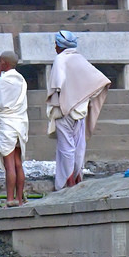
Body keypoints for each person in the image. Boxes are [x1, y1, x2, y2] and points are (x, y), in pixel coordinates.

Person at [46, 30, 110, 192]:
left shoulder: (60, 59)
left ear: (60, 45)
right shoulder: (80, 58)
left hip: (64, 111)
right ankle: (77, 176)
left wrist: (67, 99)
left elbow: (57, 84)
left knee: (66, 146)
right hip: (80, 111)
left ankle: (68, 182)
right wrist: (83, 98)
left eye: (56, 43)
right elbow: (100, 82)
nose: (55, 47)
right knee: (79, 145)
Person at [0, 51, 29, 206]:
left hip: (8, 123)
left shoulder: (4, 81)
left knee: (9, 164)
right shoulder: (22, 80)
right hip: (21, 122)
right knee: (18, 163)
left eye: (0, 62)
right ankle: (20, 200)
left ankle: (10, 199)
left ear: (4, 63)